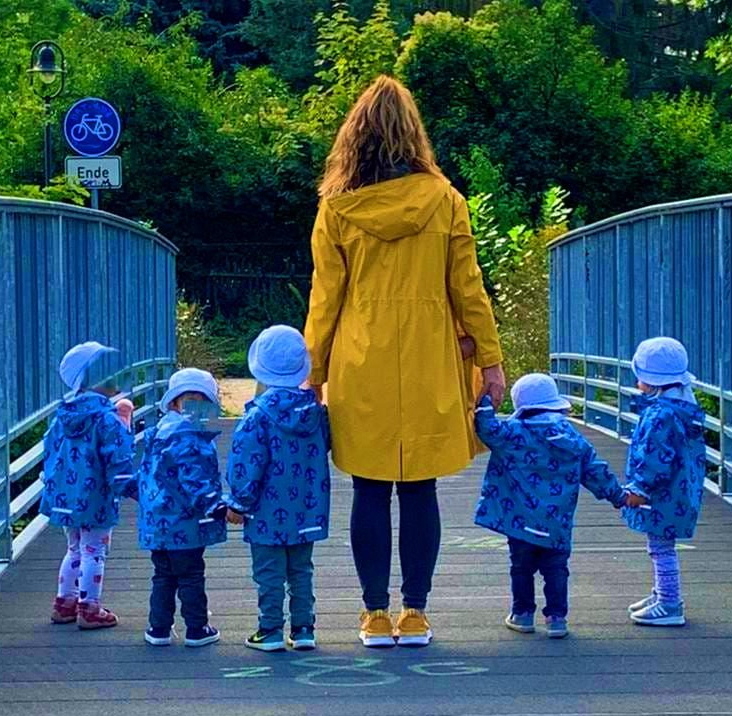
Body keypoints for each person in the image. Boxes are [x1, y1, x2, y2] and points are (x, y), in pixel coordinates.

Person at [304, 75, 505, 648]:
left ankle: (373, 614)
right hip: (428, 358)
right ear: (413, 135)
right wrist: (490, 359)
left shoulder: (337, 208)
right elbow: (468, 288)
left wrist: (312, 373)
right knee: (420, 489)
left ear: (355, 138)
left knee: (369, 488)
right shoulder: (445, 200)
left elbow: (325, 297)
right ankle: (414, 613)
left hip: (360, 360)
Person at [474, 374, 626, 639]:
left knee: (521, 568)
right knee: (556, 569)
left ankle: (522, 614)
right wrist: (618, 496)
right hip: (558, 522)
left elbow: (487, 427)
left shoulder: (512, 434)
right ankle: (557, 618)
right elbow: (595, 471)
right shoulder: (572, 437)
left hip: (521, 521)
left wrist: (484, 400)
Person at [224, 326, 331, 652]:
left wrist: (238, 503)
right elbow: (326, 444)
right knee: (301, 570)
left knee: (269, 572)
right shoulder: (315, 413)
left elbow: (246, 464)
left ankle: (270, 629)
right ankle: (303, 629)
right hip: (307, 509)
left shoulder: (258, 416)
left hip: (266, 513)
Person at [41, 341, 136, 630]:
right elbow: (118, 458)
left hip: (65, 496)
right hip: (96, 496)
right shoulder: (106, 418)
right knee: (94, 550)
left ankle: (64, 604)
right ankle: (90, 608)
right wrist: (132, 488)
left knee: (74, 548)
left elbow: (50, 451)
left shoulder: (63, 415)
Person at [137, 368, 226, 647]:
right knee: (190, 575)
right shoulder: (190, 437)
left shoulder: (157, 433)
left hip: (157, 521)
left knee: (163, 575)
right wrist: (215, 506)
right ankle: (197, 628)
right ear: (175, 403)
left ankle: (159, 629)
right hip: (184, 523)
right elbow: (194, 480)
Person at [622, 337, 707, 627]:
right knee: (660, 545)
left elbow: (654, 458)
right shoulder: (683, 408)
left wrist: (640, 488)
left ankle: (670, 603)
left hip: (661, 494)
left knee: (660, 547)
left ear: (651, 381)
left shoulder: (660, 415)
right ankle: (661, 592)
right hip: (680, 488)